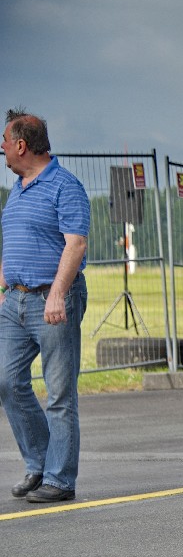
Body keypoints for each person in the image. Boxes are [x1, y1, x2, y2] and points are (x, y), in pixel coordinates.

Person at [0, 108, 91, 503]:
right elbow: (13, 238)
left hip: (53, 300)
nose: (2, 148)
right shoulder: (17, 189)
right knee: (6, 381)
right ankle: (39, 463)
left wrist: (57, 292)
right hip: (15, 300)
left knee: (59, 394)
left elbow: (76, 244)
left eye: (5, 141)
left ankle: (60, 479)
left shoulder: (65, 186)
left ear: (21, 145)